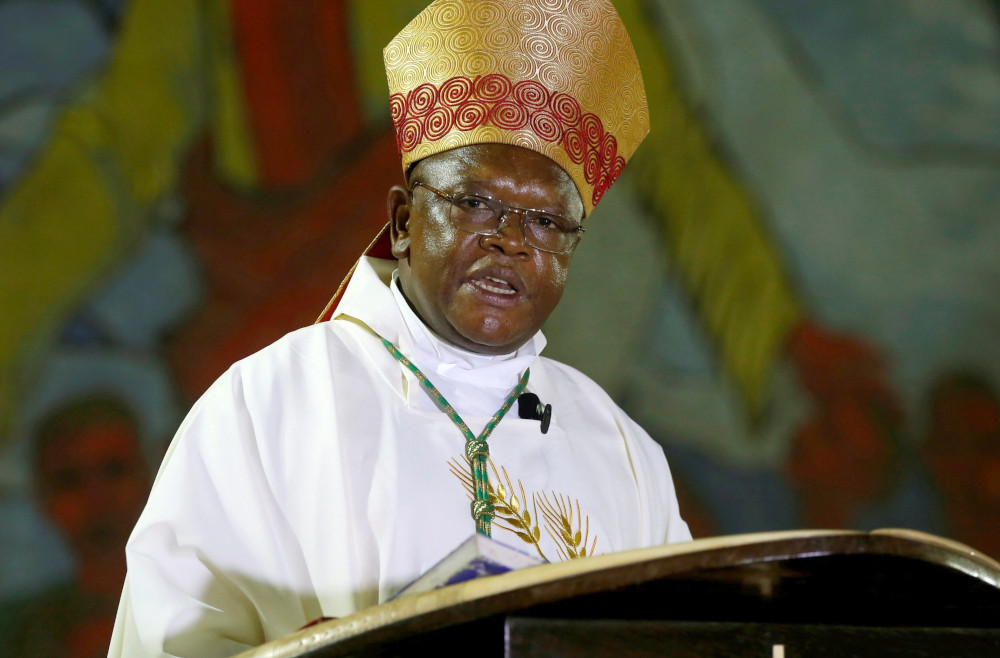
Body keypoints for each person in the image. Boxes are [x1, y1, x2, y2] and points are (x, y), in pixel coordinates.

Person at [110, 1, 691, 655]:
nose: (512, 243)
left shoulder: (621, 452)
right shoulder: (266, 406)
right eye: (475, 203)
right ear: (402, 221)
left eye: (548, 223)